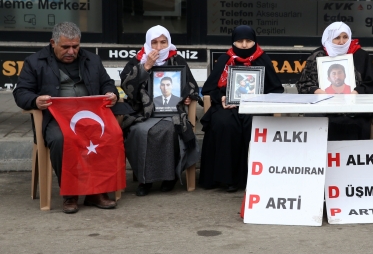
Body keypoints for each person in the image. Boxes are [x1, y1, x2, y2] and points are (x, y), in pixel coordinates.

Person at [13, 22, 119, 213]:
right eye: (65, 47)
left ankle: (97, 192)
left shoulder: (92, 60)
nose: (71, 51)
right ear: (52, 43)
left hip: (89, 117)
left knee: (112, 133)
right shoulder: (35, 62)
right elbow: (20, 93)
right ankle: (71, 193)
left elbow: (107, 84)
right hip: (56, 120)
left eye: (76, 46)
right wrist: (36, 101)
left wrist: (112, 94)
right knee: (62, 139)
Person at [199, 25, 284, 191]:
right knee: (224, 124)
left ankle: (251, 178)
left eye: (248, 41)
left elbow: (276, 89)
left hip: (256, 106)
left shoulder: (262, 59)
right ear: (233, 42)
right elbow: (209, 89)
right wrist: (221, 98)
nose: (244, 45)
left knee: (251, 123)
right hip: (227, 105)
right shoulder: (225, 59)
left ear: (254, 41)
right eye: (239, 41)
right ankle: (227, 179)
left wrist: (259, 99)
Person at [120, 25, 200, 197]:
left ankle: (169, 177)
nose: (158, 48)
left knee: (169, 129)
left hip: (171, 112)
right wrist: (146, 66)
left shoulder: (176, 59)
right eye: (154, 42)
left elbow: (190, 84)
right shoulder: (137, 60)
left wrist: (187, 96)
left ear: (168, 42)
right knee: (140, 131)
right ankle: (145, 180)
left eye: (163, 43)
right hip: (141, 113)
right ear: (148, 43)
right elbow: (128, 88)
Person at [296, 21, 373, 141]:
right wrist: (317, 91)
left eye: (345, 37)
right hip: (323, 112)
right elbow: (303, 84)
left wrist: (357, 92)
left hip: (354, 113)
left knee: (358, 123)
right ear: (328, 38)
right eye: (337, 38)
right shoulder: (317, 56)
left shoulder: (361, 56)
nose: (342, 42)